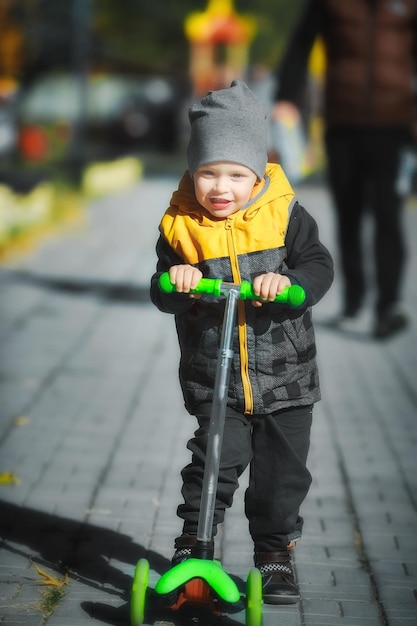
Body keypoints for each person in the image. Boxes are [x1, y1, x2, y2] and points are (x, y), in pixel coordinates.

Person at [150, 80, 333, 604]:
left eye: (235, 174)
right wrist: (176, 282)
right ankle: (195, 547)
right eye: (208, 172)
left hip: (288, 378)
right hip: (217, 377)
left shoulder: (286, 215)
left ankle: (275, 554)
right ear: (193, 171)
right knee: (212, 460)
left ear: (257, 173)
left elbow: (318, 266)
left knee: (281, 478)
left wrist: (290, 286)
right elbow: (160, 289)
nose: (220, 187)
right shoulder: (181, 226)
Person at [273, 0, 417, 339]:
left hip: (394, 125)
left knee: (388, 214)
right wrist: (286, 97)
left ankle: (389, 305)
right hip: (342, 123)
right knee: (348, 213)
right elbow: (301, 43)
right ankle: (353, 302)